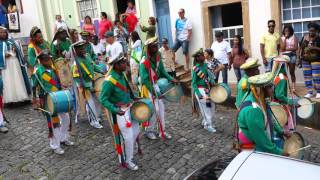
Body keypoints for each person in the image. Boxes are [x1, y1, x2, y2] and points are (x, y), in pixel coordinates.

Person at [100, 54, 140, 171]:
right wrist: (115, 110)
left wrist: (135, 97)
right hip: (120, 111)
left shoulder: (121, 74)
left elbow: (127, 89)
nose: (125, 64)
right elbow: (103, 99)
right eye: (122, 62)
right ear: (116, 65)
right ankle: (128, 160)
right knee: (128, 137)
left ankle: (128, 150)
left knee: (136, 131)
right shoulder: (109, 81)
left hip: (130, 107)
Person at [32, 50, 74, 155]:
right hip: (48, 100)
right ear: (41, 61)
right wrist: (34, 100)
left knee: (66, 119)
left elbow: (58, 82)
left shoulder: (53, 69)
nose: (50, 61)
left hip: (59, 97)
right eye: (47, 60)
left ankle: (63, 138)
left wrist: (63, 85)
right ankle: (55, 145)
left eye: (50, 59)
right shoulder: (38, 72)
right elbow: (34, 86)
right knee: (54, 123)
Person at [237, 72, 288, 156]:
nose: (273, 89)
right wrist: (278, 152)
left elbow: (269, 118)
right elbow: (260, 139)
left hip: (258, 142)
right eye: (270, 87)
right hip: (251, 149)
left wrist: (281, 131)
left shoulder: (261, 100)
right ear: (261, 90)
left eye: (272, 86)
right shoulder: (253, 110)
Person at [140, 37, 178, 140]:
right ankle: (149, 130)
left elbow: (162, 71)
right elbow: (144, 79)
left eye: (156, 46)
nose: (156, 48)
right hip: (147, 86)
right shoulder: (144, 61)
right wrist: (153, 91)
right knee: (154, 109)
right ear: (148, 48)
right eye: (153, 47)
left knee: (161, 108)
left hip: (155, 84)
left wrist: (171, 78)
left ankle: (162, 131)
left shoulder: (158, 56)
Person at [71, 40, 104, 129]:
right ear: (76, 51)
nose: (83, 50)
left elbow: (93, 66)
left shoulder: (87, 56)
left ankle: (97, 117)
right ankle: (93, 121)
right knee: (90, 104)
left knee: (97, 101)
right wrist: (87, 87)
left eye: (83, 48)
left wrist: (102, 71)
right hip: (84, 84)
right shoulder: (76, 63)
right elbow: (77, 79)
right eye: (80, 49)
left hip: (92, 81)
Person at [0, 26, 31, 103]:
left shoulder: (11, 41)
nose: (3, 34)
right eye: (1, 32)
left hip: (14, 62)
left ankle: (21, 96)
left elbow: (18, 51)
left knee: (17, 78)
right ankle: (10, 100)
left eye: (4, 32)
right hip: (6, 65)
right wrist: (4, 55)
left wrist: (15, 49)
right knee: (8, 80)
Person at [192, 48, 216, 133]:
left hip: (207, 89)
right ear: (197, 58)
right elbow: (193, 83)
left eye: (203, 55)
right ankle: (208, 125)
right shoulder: (195, 68)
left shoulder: (206, 66)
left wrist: (212, 80)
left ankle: (206, 121)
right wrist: (198, 93)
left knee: (211, 106)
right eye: (201, 55)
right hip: (200, 89)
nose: (203, 56)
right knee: (206, 108)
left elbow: (210, 76)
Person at [298, 22, 320, 99]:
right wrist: (298, 58)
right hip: (305, 60)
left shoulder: (318, 38)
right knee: (307, 76)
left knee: (316, 76)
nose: (311, 32)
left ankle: (318, 92)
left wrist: (314, 48)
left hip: (316, 59)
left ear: (316, 31)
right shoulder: (304, 38)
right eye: (310, 30)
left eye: (313, 31)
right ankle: (309, 92)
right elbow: (300, 48)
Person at [280, 25, 298, 91]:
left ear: (290, 31)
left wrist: (287, 48)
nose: (286, 32)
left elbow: (296, 47)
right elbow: (282, 48)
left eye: (288, 30)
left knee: (291, 72)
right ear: (284, 31)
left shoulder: (294, 37)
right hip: (284, 56)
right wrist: (285, 38)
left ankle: (293, 87)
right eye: (285, 30)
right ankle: (286, 87)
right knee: (284, 72)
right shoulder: (282, 38)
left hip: (292, 55)